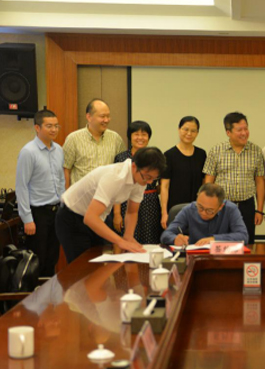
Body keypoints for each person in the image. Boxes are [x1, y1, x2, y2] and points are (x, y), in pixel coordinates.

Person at [55, 147, 166, 264]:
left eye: (154, 178)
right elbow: (90, 218)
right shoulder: (114, 177)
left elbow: (132, 211)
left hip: (97, 218)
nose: (149, 182)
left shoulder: (141, 179)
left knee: (98, 266)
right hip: (72, 217)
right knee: (82, 268)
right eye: (148, 177)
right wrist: (120, 241)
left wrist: (128, 236)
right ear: (134, 166)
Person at [15, 109, 65, 277]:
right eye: (49, 126)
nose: (54, 129)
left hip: (56, 211)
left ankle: (49, 292)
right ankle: (35, 293)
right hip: (37, 214)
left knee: (52, 258)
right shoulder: (28, 152)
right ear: (37, 127)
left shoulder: (59, 150)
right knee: (37, 260)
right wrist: (27, 218)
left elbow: (61, 180)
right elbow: (21, 186)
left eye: (56, 126)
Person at [203, 112, 265, 244]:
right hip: (222, 206)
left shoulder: (256, 151)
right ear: (228, 132)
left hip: (247, 205)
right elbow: (209, 181)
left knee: (247, 243)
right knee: (220, 243)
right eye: (239, 130)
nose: (244, 133)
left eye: (246, 129)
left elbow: (260, 182)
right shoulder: (216, 151)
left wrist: (259, 210)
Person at [112, 121, 162, 244]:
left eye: (144, 134)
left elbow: (161, 184)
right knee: (128, 239)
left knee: (150, 240)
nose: (140, 138)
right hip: (127, 203)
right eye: (136, 134)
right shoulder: (121, 158)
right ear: (130, 136)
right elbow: (116, 188)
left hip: (150, 204)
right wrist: (117, 213)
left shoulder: (155, 156)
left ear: (149, 137)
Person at [63, 98, 125, 188]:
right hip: (82, 194)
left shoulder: (115, 138)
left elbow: (121, 168)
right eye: (102, 116)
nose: (106, 120)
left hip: (107, 193)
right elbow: (66, 169)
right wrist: (67, 193)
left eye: (108, 116)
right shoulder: (73, 139)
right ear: (89, 117)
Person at [161, 183, 249, 246]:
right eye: (200, 207)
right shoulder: (189, 210)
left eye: (209, 210)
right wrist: (175, 239)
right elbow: (166, 234)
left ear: (220, 207)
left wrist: (214, 239)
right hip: (194, 257)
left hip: (221, 257)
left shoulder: (230, 209)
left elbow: (243, 236)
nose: (203, 213)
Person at [160, 116, 207, 229]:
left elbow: (204, 183)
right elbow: (164, 186)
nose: (189, 133)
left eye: (193, 131)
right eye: (186, 129)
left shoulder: (201, 154)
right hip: (174, 209)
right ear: (179, 129)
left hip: (197, 209)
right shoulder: (169, 155)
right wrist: (164, 213)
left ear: (197, 133)